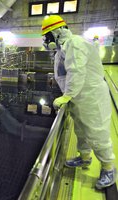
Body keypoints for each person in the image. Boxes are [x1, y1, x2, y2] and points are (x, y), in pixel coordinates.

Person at [41, 15, 116, 189]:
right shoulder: (63, 49)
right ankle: (84, 158)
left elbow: (76, 72)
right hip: (78, 97)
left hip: (91, 97)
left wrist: (67, 96)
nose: (46, 41)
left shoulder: (74, 44)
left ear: (56, 32)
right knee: (81, 131)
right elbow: (65, 73)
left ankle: (108, 168)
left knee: (97, 133)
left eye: (47, 37)